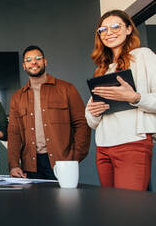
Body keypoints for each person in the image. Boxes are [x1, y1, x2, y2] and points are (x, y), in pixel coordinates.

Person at [85, 10, 156, 191]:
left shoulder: (144, 56)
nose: (109, 32)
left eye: (116, 26)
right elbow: (91, 119)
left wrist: (135, 97)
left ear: (129, 29)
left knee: (128, 209)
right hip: (103, 147)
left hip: (133, 143)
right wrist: (94, 112)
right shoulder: (103, 69)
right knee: (111, 208)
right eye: (103, 29)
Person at [8, 45, 90, 179]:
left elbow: (82, 124)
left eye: (37, 58)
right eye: (28, 60)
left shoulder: (66, 89)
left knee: (65, 200)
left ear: (45, 62)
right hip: (30, 165)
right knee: (33, 200)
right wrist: (14, 165)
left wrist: (74, 157)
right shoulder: (17, 97)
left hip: (62, 162)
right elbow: (14, 133)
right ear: (24, 66)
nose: (33, 62)